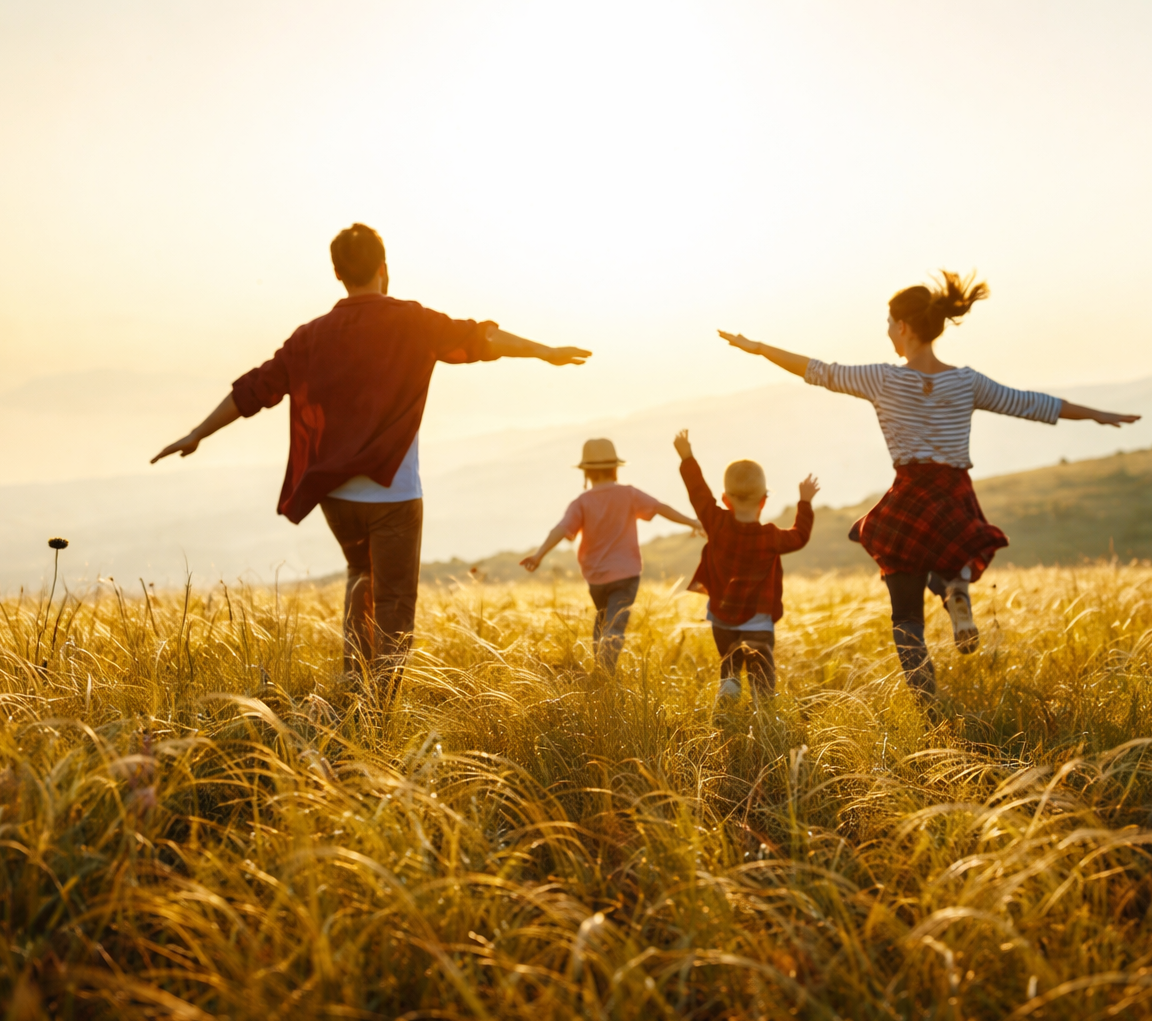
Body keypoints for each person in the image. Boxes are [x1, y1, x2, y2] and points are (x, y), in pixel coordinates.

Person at [152, 223, 589, 688]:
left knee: (360, 577)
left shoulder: (310, 336)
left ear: (339, 274)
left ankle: (353, 688)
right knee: (395, 603)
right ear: (384, 269)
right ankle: (377, 715)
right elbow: (481, 338)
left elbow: (255, 389)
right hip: (394, 495)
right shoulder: (412, 321)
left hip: (335, 498)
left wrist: (198, 432)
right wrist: (544, 352)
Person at [717, 269, 1138, 702]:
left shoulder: (882, 379)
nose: (887, 333)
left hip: (909, 497)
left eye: (888, 324)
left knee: (905, 615)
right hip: (954, 498)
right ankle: (955, 588)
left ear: (903, 326)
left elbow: (816, 371)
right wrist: (1096, 414)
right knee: (949, 562)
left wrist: (759, 349)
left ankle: (927, 704)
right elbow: (1032, 404)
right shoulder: (966, 382)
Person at [520, 438, 701, 672]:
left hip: (595, 577)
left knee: (603, 619)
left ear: (586, 473)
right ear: (616, 469)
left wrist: (538, 555)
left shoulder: (581, 502)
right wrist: (692, 522)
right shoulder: (629, 494)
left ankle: (601, 671)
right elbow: (660, 507)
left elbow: (561, 529)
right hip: (626, 574)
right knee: (614, 625)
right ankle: (605, 673)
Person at [672, 429, 816, 703]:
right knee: (762, 677)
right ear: (764, 502)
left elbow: (698, 492)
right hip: (758, 619)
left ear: (725, 500)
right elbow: (800, 536)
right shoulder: (772, 537)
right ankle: (763, 713)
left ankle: (729, 687)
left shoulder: (716, 522)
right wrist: (805, 502)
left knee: (729, 663)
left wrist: (687, 457)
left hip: (722, 617)